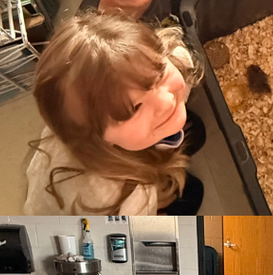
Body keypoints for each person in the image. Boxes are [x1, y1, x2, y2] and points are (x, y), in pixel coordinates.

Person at [24, 13, 204, 215]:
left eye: (160, 74)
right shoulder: (121, 201)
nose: (166, 101)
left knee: (197, 133)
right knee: (193, 194)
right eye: (134, 108)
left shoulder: (154, 59)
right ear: (98, 139)